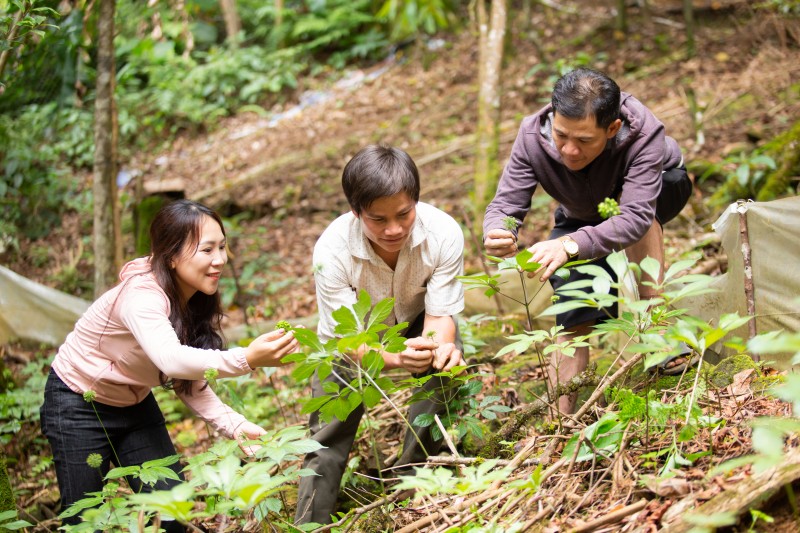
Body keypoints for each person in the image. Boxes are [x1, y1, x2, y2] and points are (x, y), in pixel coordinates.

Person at [40, 199, 300, 531]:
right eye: (207, 250)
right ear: (173, 256)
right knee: (83, 521)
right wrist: (245, 359)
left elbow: (187, 378)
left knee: (172, 513)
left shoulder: (194, 295)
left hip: (134, 402)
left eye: (222, 247)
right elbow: (171, 360)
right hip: (77, 400)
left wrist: (233, 424)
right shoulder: (142, 297)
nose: (219, 259)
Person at [483, 67, 692, 414]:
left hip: (658, 191)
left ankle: (659, 334)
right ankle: (559, 419)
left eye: (583, 141)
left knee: (639, 216)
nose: (569, 150)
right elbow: (506, 204)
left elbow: (636, 217)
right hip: (582, 214)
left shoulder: (644, 132)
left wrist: (569, 245)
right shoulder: (533, 134)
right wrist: (499, 229)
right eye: (562, 135)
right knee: (572, 311)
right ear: (553, 116)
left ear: (613, 129)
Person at [295, 145, 466, 525]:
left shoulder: (443, 233)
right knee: (327, 434)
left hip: (416, 319)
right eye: (378, 219)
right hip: (351, 338)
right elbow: (348, 339)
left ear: (416, 201)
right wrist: (392, 358)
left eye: (404, 214)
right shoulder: (332, 250)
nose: (394, 229)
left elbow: (441, 316)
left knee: (443, 375)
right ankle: (311, 521)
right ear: (356, 213)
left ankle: (412, 484)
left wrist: (439, 346)